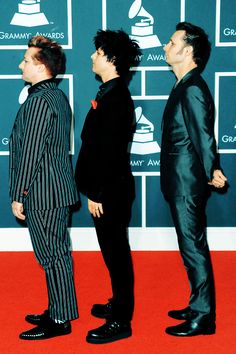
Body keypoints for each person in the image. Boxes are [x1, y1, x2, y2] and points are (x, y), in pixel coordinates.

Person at [9, 36, 79, 340]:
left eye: (26, 60)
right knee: (56, 255)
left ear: (40, 65)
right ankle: (58, 309)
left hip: (43, 192)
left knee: (52, 256)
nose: (21, 64)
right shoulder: (55, 96)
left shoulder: (39, 101)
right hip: (53, 189)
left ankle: (60, 319)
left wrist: (18, 194)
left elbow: (31, 153)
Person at [160, 22, 227, 337]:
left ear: (187, 51)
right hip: (180, 180)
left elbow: (203, 134)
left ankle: (203, 316)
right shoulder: (184, 84)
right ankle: (196, 303)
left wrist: (213, 167)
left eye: (171, 43)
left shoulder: (193, 87)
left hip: (187, 182)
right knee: (191, 247)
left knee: (194, 248)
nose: (165, 46)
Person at [75, 29, 141, 344]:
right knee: (112, 252)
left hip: (109, 192)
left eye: (98, 52)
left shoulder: (115, 98)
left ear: (111, 59)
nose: (92, 56)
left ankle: (121, 321)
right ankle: (118, 303)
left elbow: (110, 153)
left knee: (116, 255)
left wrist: (97, 193)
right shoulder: (109, 92)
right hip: (108, 189)